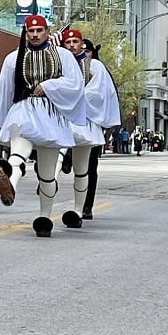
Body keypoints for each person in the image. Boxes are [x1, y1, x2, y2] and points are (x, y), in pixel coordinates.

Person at [0, 15, 85, 238]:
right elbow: (5, 91)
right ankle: (10, 185)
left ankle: (44, 217)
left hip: (50, 115)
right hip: (22, 110)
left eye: (39, 30)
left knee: (47, 173)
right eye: (30, 31)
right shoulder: (14, 58)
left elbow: (75, 84)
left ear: (47, 31)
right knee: (17, 153)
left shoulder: (62, 55)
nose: (34, 35)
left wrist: (49, 86)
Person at [58, 30, 120, 225]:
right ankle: (50, 179)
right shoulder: (63, 66)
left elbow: (98, 96)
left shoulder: (96, 68)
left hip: (90, 123)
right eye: (69, 43)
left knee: (89, 168)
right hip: (67, 122)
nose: (81, 52)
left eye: (87, 50)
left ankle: (86, 206)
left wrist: (73, 97)